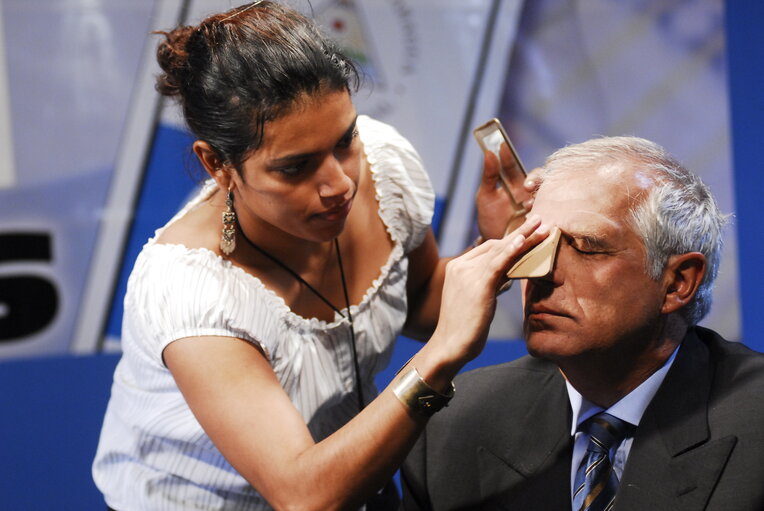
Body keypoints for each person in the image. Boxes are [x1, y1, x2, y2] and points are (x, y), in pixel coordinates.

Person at [91, 2, 546, 510]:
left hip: (356, 481)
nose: (340, 183)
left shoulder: (385, 165)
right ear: (217, 164)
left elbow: (418, 301)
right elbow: (306, 497)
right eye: (296, 167)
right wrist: (440, 358)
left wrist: (498, 247)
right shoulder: (192, 291)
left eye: (345, 140)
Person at [401, 136, 764, 510]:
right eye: (533, 246)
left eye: (587, 247)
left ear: (678, 282)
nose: (541, 273)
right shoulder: (453, 426)